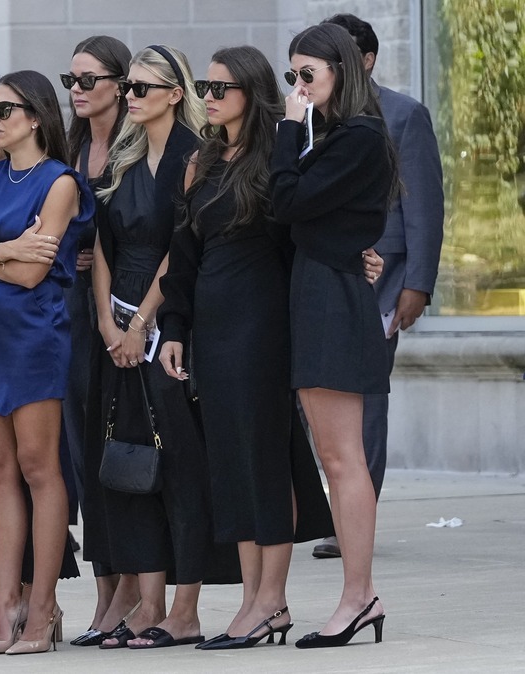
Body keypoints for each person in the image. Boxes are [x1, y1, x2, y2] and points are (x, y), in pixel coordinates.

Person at [157, 45, 335, 650]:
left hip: (263, 324)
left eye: (220, 89)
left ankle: (272, 601)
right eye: (205, 88)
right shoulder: (201, 161)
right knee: (229, 463)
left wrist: (358, 257)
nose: (208, 98)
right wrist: (174, 328)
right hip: (211, 322)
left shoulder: (277, 156)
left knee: (264, 458)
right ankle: (251, 600)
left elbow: (306, 234)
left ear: (250, 94)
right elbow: (183, 256)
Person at [90, 45, 237, 651]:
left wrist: (142, 322)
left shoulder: (194, 158)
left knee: (177, 465)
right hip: (115, 319)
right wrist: (105, 320)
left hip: (168, 320)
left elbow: (182, 246)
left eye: (144, 88)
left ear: (176, 94)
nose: (131, 96)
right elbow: (100, 246)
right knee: (129, 464)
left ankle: (185, 608)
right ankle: (147, 603)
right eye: (128, 87)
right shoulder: (123, 156)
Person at [0, 70, 94, 655]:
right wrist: (5, 250)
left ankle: (41, 613)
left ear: (35, 117)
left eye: (5, 109)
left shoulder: (60, 183)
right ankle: (4, 610)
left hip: (34, 337)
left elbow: (37, 274)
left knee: (39, 469)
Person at [269, 23, 400, 648]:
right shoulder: (340, 136)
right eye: (291, 76)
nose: (298, 86)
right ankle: (359, 595)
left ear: (340, 71)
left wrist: (289, 128)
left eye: (308, 74)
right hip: (320, 288)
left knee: (343, 459)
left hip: (332, 297)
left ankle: (359, 596)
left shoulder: (358, 136)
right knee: (334, 458)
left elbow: (287, 201)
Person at [311, 13, 445, 559]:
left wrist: (418, 282)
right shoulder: (309, 116)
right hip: (317, 274)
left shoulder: (404, 115)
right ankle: (334, 503)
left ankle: (351, 520)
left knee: (363, 397)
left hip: (381, 280)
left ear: (365, 61)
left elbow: (424, 205)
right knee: (316, 397)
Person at [59, 34, 141, 647]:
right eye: (71, 82)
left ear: (119, 82)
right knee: (83, 452)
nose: (79, 91)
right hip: (64, 312)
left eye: (89, 80)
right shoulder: (68, 147)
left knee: (123, 447)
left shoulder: (137, 147)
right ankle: (105, 588)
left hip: (121, 315)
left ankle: (135, 587)